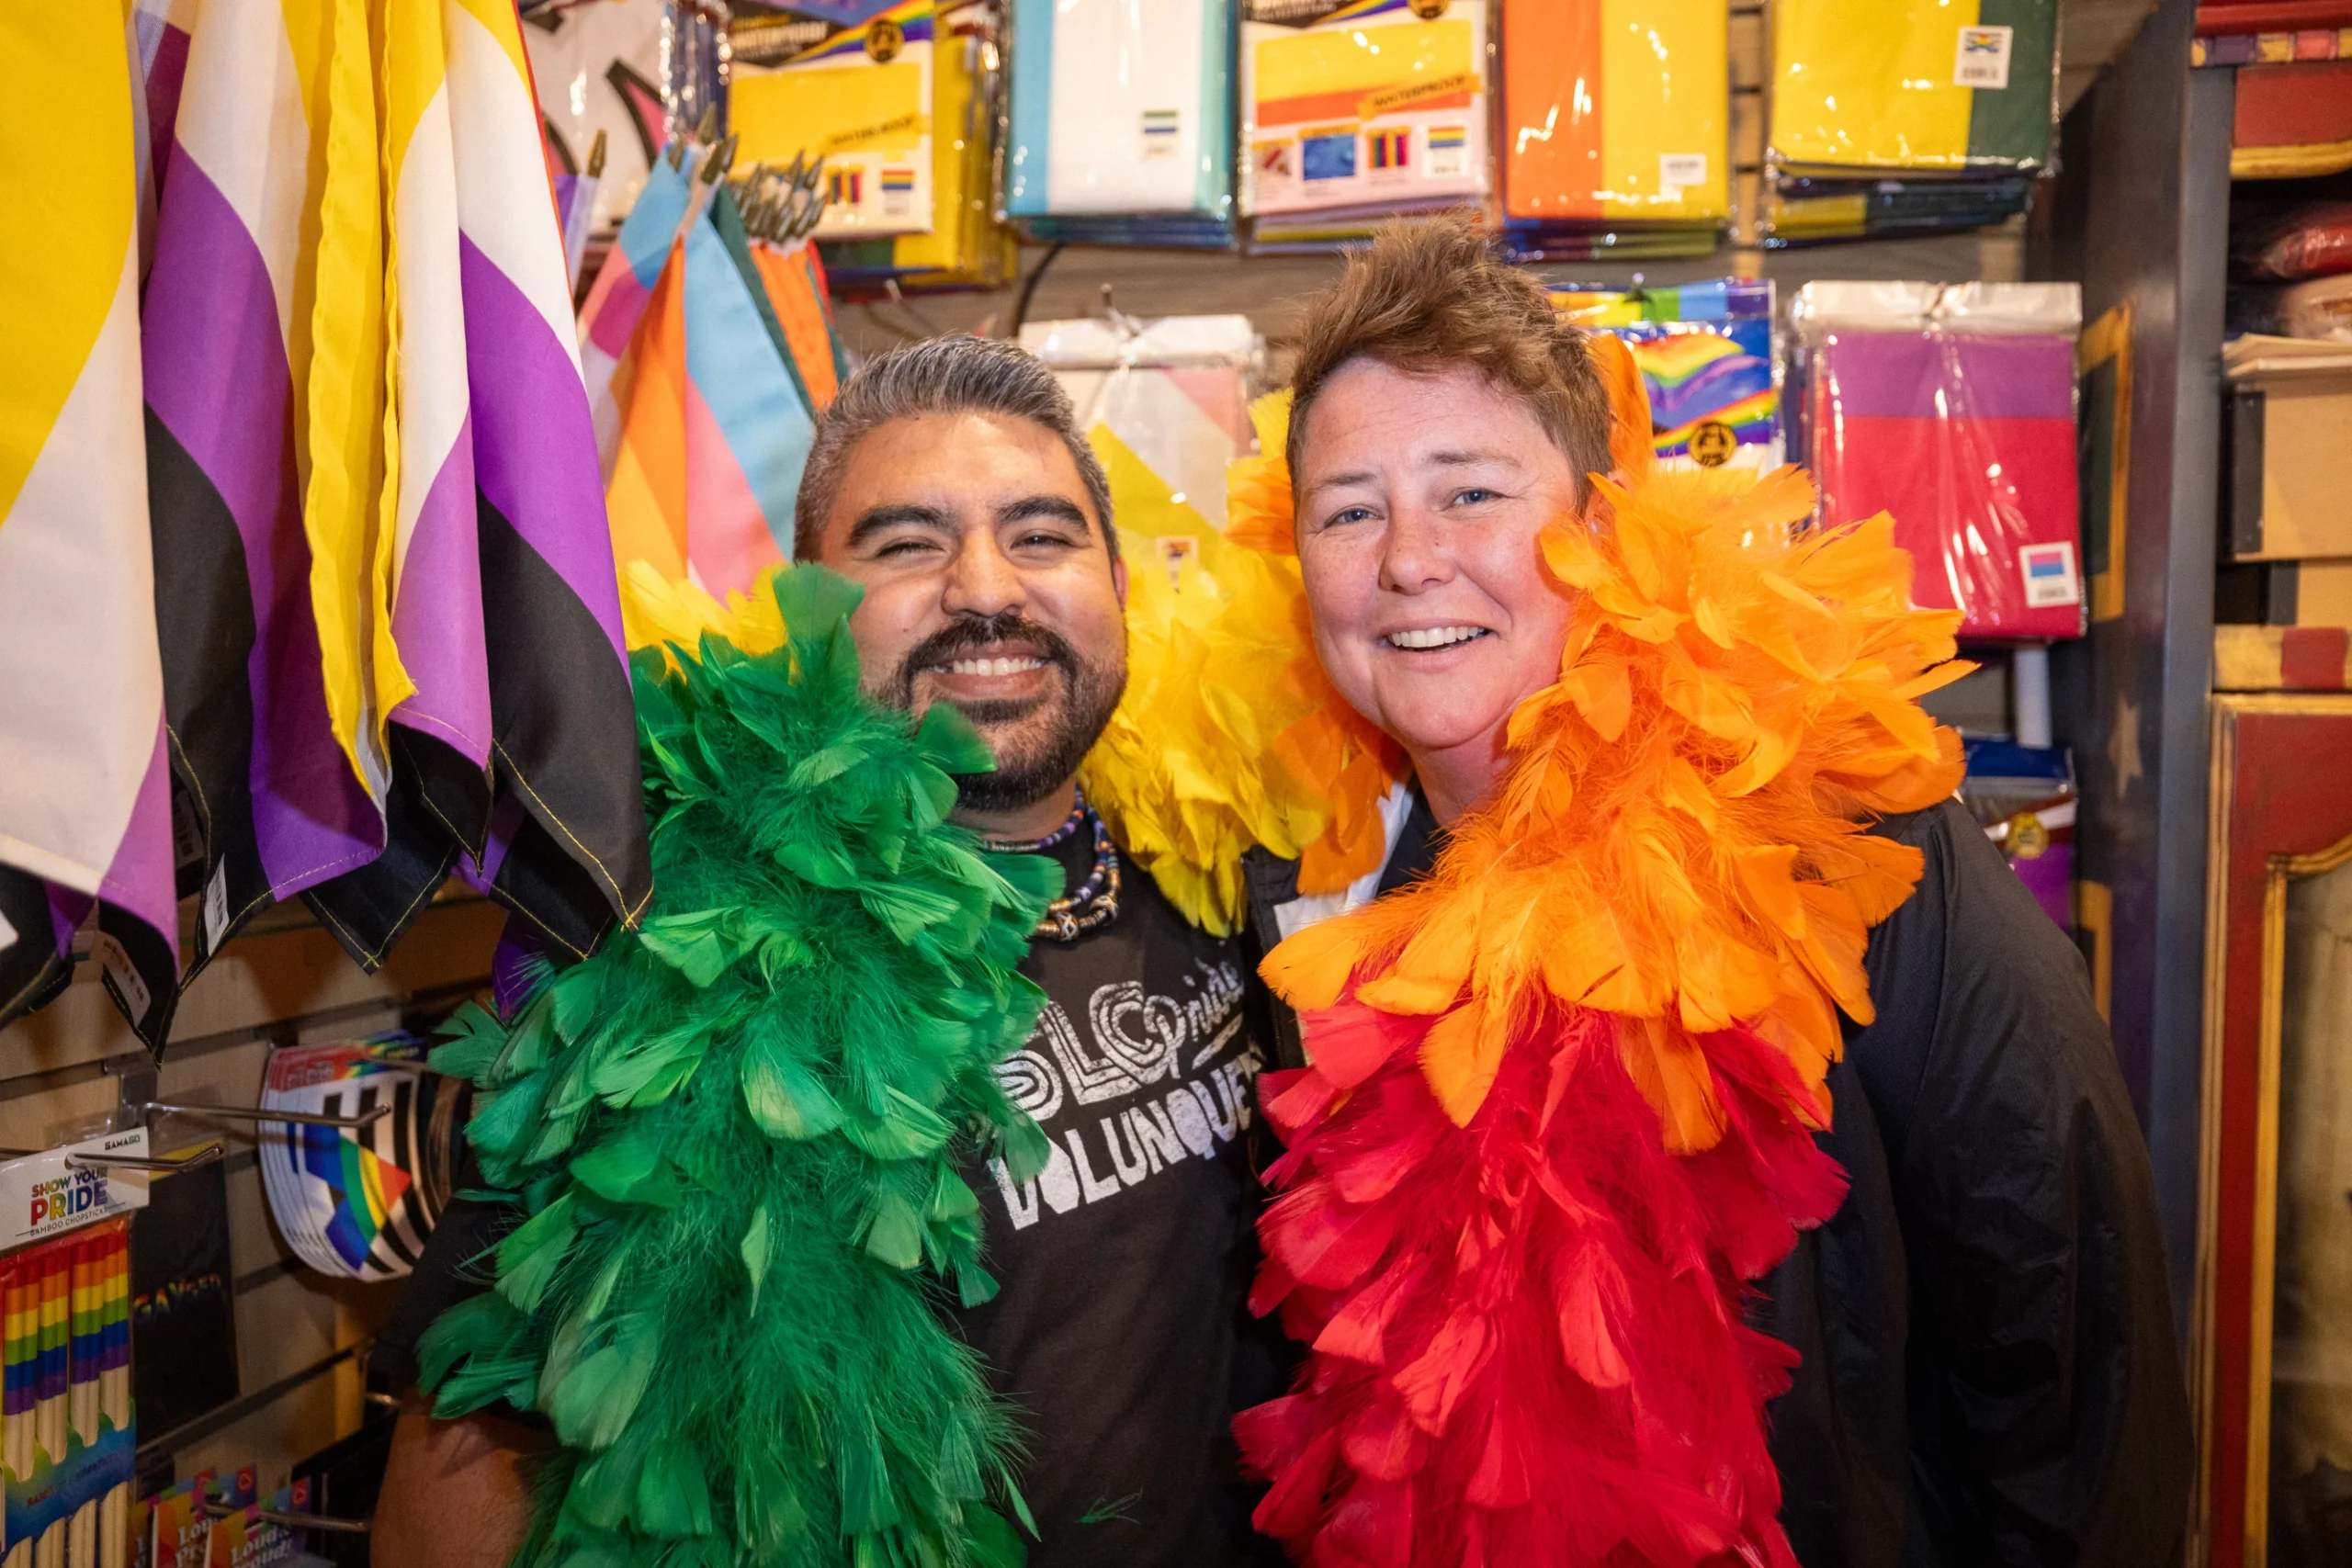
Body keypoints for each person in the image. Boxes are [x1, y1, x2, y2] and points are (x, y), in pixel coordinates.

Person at [1215, 218, 2194, 1566]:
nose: (1406, 558)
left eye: (1470, 491)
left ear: (1600, 528)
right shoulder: (1308, 899)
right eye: (1349, 508)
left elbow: (2071, 1332)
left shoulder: (1839, 837)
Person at [368, 336, 1290, 1568]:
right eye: (907, 543)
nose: (985, 588)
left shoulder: (1230, 862)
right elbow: (463, 1473)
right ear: (806, 601)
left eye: (1042, 534)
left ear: (1121, 580)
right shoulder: (666, 965)